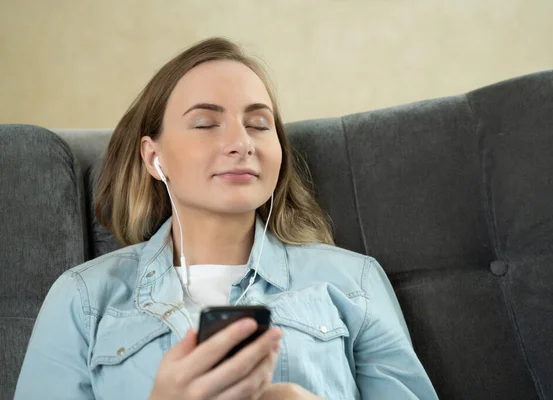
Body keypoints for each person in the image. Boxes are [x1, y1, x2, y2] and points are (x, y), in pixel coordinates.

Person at [15, 37, 438, 400]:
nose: (240, 142)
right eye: (205, 123)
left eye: (258, 124)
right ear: (153, 156)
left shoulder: (353, 282)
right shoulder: (83, 299)